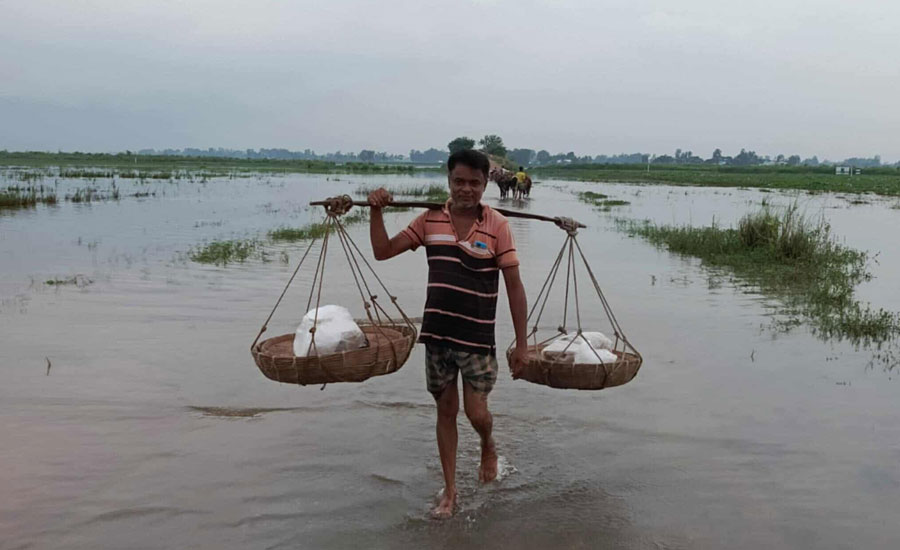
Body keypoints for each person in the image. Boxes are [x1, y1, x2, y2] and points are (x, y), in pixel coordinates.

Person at [367, 149, 529, 519]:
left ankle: (488, 443)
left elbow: (515, 288)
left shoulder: (498, 226)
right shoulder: (429, 221)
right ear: (449, 181)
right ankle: (451, 492)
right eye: (459, 181)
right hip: (437, 337)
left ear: (486, 183)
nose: (466, 189)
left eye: (474, 182)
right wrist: (376, 210)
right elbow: (382, 251)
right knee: (446, 411)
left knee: (475, 412)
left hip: (477, 339)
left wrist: (521, 345)